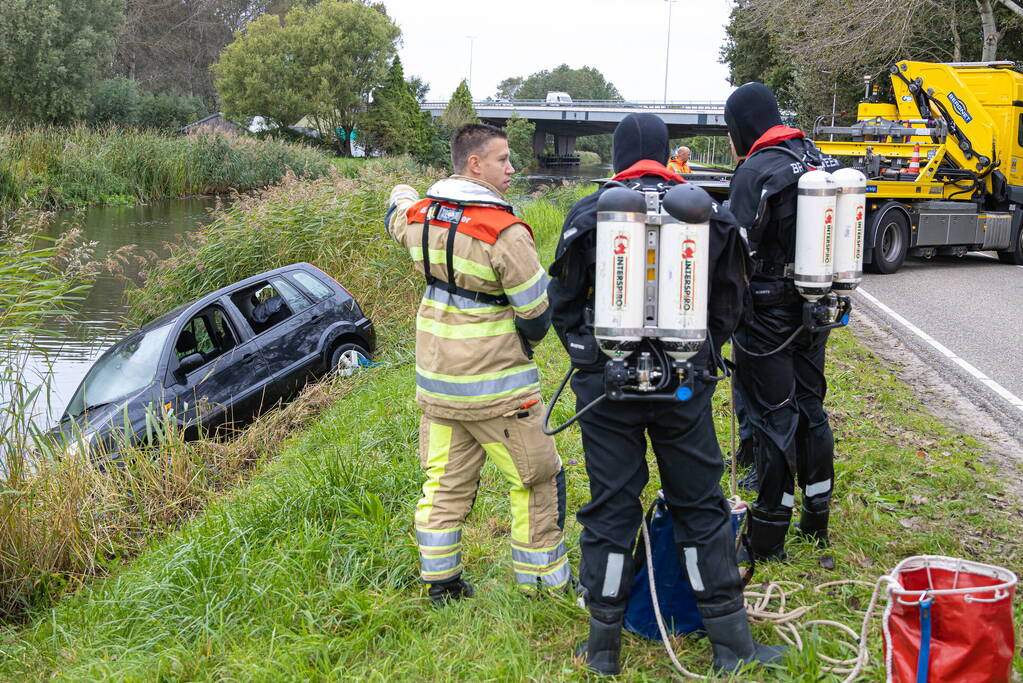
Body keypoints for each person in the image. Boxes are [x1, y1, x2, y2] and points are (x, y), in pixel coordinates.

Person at [548, 113, 784, 676]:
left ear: (616, 156)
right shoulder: (707, 214)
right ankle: (732, 646)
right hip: (683, 385)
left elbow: (560, 305)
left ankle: (602, 650)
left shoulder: (590, 212)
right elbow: (731, 305)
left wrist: (594, 360)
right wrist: (698, 359)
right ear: (664, 152)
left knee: (610, 510)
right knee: (700, 507)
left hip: (606, 390)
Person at [385, 123, 571, 604]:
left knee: (443, 486)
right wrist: (525, 340)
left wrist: (401, 190)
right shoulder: (504, 232)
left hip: (438, 385)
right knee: (535, 480)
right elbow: (536, 314)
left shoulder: (423, 216)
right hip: (498, 389)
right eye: (503, 159)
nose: (512, 169)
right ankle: (540, 585)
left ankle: (441, 584)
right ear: (475, 164)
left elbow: (397, 214)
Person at [724, 82, 842, 561]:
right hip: (816, 305)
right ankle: (817, 519)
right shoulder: (818, 160)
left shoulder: (757, 169)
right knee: (812, 407)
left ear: (742, 125)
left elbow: (736, 248)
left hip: (767, 314)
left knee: (775, 415)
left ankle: (769, 533)